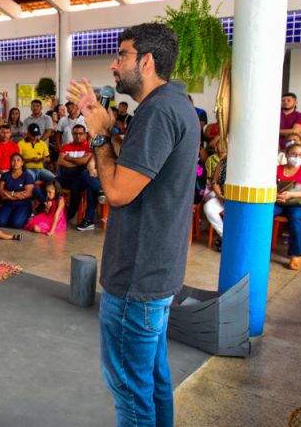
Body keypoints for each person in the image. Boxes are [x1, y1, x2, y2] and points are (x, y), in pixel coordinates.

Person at [67, 23, 200, 426]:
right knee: (153, 383)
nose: (113, 64)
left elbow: (120, 191)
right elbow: (141, 168)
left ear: (145, 61)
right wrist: (103, 123)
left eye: (121, 55)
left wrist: (98, 138)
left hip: (137, 279)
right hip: (156, 272)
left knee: (130, 394)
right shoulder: (173, 104)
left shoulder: (159, 111)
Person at [275, 142, 301, 270]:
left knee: (295, 217)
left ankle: (296, 254)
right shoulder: (277, 169)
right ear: (287, 155)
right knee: (265, 213)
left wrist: (291, 195)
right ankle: (256, 246)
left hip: (300, 204)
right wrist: (276, 195)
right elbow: (268, 185)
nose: (297, 157)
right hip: (279, 201)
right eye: (294, 154)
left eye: (300, 155)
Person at [57, 124, 93, 220]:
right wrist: (78, 164)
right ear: (72, 134)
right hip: (67, 176)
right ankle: (51, 209)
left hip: (81, 178)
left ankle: (70, 214)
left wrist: (68, 158)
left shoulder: (89, 147)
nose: (78, 136)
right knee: (52, 182)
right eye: (76, 133)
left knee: (75, 187)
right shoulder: (66, 146)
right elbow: (60, 161)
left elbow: (84, 161)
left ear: (85, 134)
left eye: (81, 133)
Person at [0, 153, 35, 229]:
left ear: (22, 163)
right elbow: (0, 191)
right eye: (13, 160)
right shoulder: (5, 175)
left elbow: (27, 193)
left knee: (16, 224)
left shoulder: (27, 176)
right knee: (0, 222)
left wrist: (8, 195)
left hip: (23, 204)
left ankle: (25, 215)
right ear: (10, 162)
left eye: (18, 160)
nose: (15, 162)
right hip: (8, 203)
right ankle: (13, 217)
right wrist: (14, 194)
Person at [18, 123, 56, 204]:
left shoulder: (42, 143)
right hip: (28, 169)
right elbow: (18, 161)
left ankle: (53, 201)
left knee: (55, 179)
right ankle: (44, 201)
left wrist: (45, 159)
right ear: (28, 133)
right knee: (30, 181)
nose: (35, 137)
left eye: (37, 135)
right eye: (33, 135)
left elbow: (48, 158)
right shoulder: (21, 144)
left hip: (40, 169)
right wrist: (31, 160)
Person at [0, 125, 20, 207]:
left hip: (11, 171)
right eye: (2, 132)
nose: (5, 135)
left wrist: (11, 172)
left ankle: (15, 206)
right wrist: (1, 172)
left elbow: (17, 162)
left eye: (7, 132)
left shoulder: (14, 146)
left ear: (10, 134)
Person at [203, 143, 228, 249]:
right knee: (208, 208)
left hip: (237, 200)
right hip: (222, 197)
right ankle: (225, 236)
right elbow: (214, 182)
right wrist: (220, 195)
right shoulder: (223, 162)